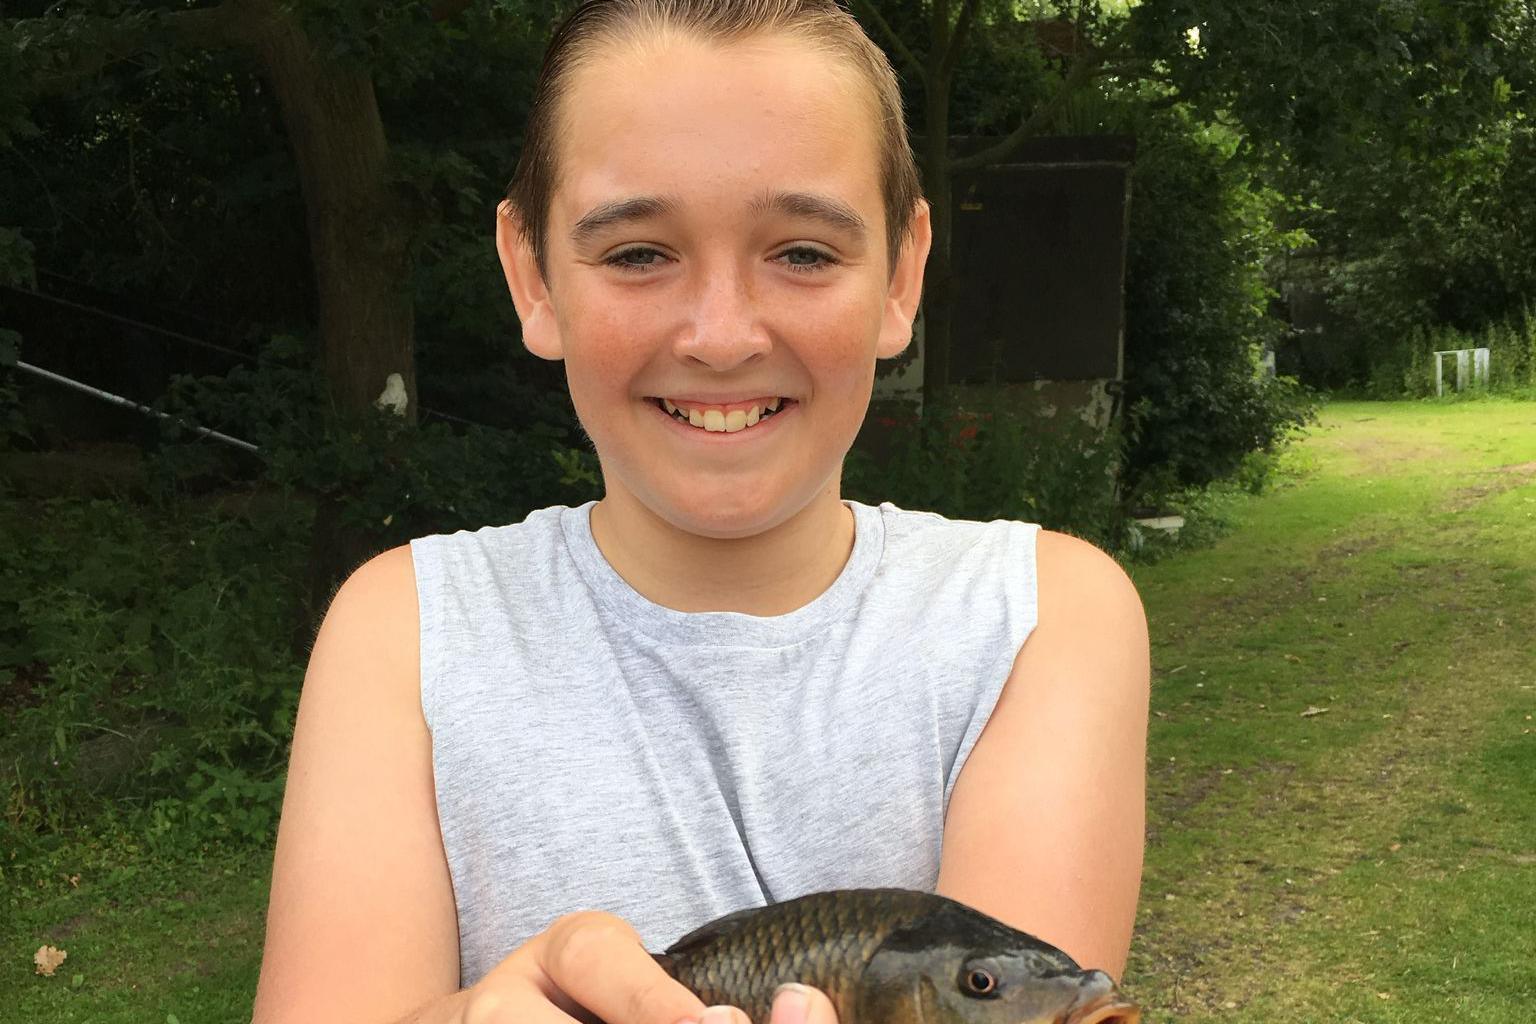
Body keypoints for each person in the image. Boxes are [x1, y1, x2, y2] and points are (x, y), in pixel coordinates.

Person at [250, 2, 1149, 1023]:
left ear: (901, 272)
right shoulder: (403, 628)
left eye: (804, 251)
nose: (721, 336)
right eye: (638, 252)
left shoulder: (1039, 614)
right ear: (532, 275)